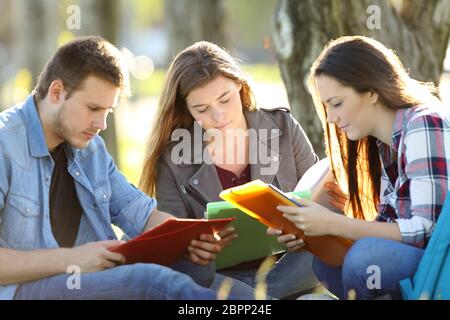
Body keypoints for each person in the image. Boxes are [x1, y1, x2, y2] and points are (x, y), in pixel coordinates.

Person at [0, 36, 240, 300]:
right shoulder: (5, 143)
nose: (101, 123)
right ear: (56, 92)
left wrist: (191, 239)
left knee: (195, 264)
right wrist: (74, 260)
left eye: (108, 111)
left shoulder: (91, 150)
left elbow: (143, 215)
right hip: (25, 290)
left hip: (91, 278)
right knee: (152, 283)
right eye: (93, 108)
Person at [139, 41, 322, 299]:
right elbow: (173, 245)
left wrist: (302, 228)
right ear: (186, 109)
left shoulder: (283, 127)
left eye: (225, 99)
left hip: (289, 266)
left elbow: (320, 198)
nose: (218, 115)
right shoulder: (173, 158)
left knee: (323, 249)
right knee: (181, 276)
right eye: (201, 109)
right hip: (220, 276)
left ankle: (256, 299)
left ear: (240, 85)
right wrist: (200, 247)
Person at [275, 35, 450, 299]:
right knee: (327, 260)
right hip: (418, 260)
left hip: (440, 264)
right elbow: (387, 225)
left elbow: (424, 231)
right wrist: (313, 234)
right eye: (327, 107)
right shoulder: (385, 143)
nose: (331, 118)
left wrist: (334, 223)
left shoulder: (424, 123)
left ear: (370, 92)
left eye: (337, 104)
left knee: (364, 259)